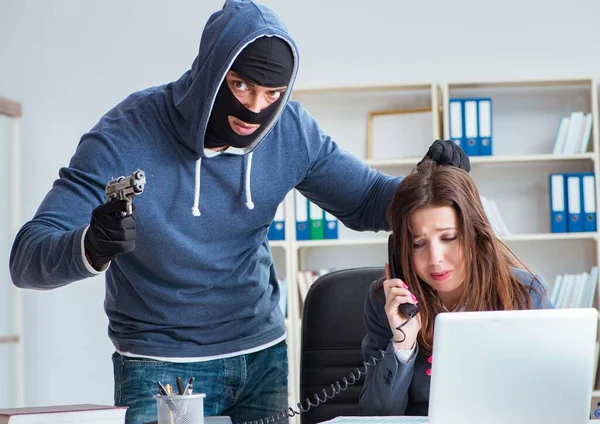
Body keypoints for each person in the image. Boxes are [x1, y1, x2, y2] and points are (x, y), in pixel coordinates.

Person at [9, 1, 470, 423]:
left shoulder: (290, 129)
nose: (253, 108)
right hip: (161, 365)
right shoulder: (125, 134)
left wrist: (432, 184)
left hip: (261, 357)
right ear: (212, 72)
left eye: (272, 94)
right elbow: (26, 259)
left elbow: (368, 199)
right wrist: (89, 246)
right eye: (241, 86)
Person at [358, 158, 553, 417]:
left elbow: (552, 397)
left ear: (475, 235)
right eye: (418, 244)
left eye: (448, 238)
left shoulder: (526, 293)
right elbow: (376, 417)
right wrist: (402, 344)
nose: (435, 258)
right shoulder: (385, 303)